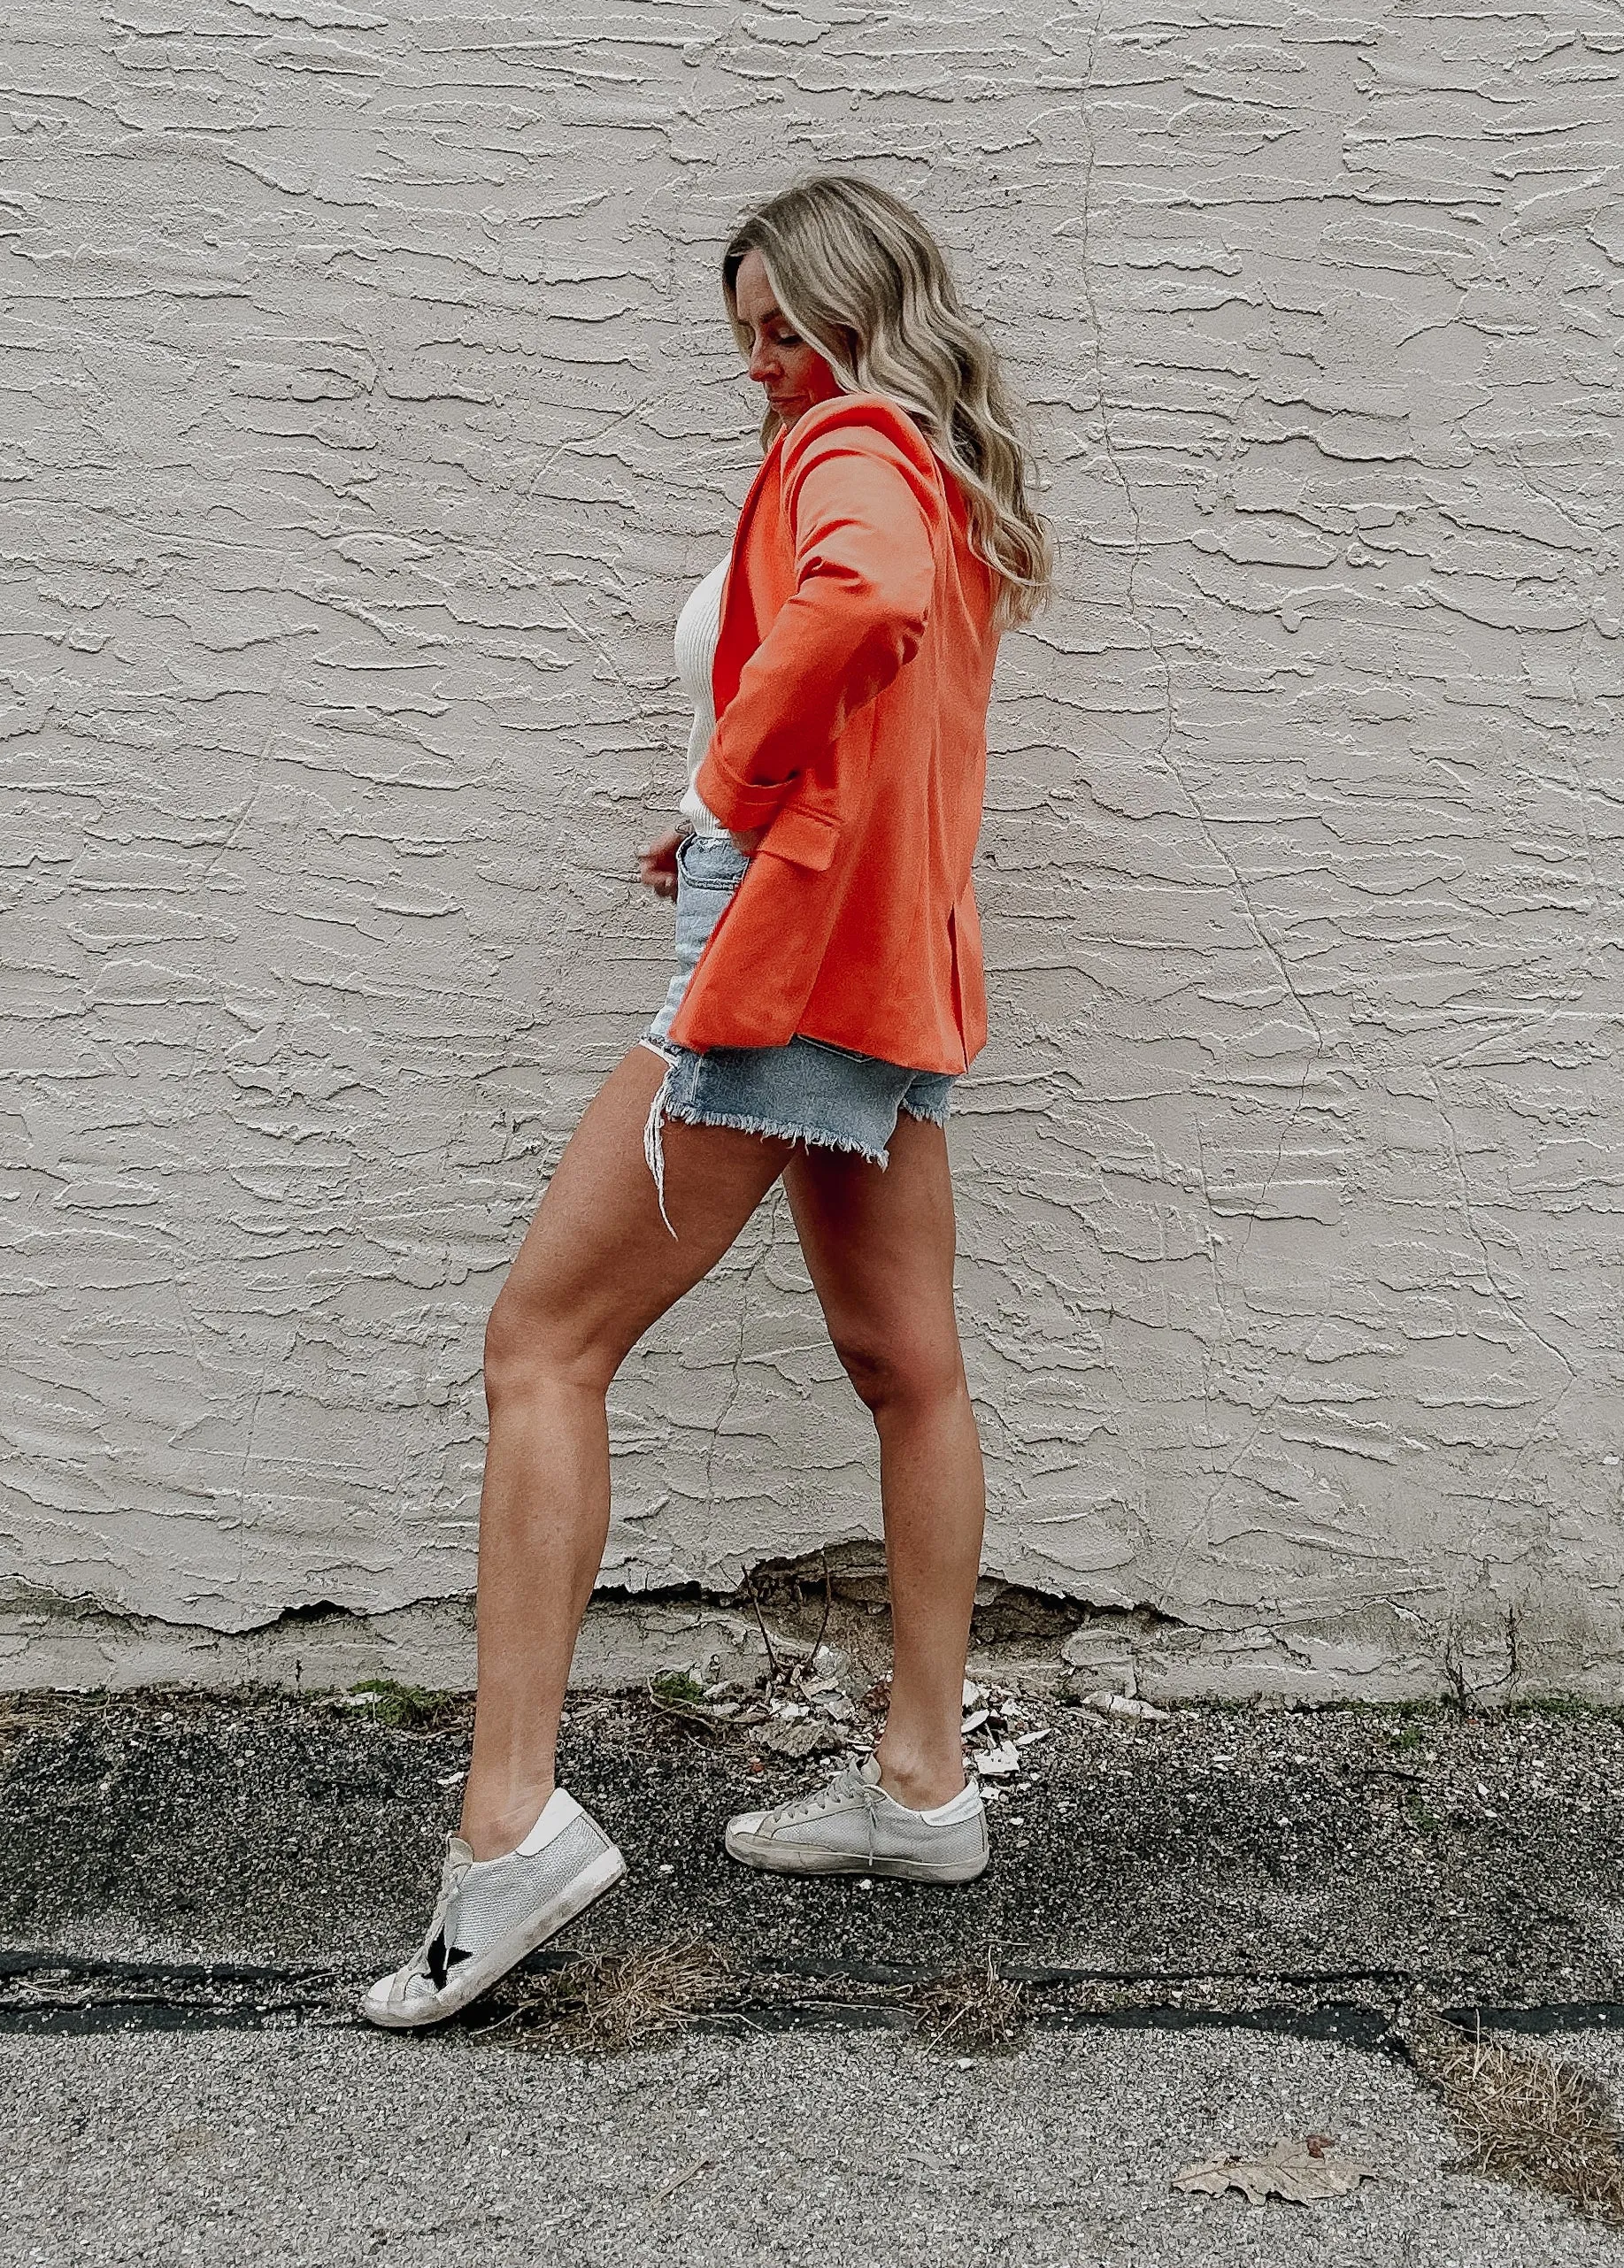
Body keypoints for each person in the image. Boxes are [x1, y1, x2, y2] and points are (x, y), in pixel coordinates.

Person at [361, 172, 1051, 2029]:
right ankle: (922, 1783)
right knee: (911, 1369)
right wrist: (736, 799)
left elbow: (860, 604)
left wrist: (735, 791)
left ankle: (507, 1823)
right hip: (888, 979)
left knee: (539, 1344)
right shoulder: (930, 453)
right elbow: (889, 676)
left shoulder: (849, 451)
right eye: (742, 335)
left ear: (857, 313)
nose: (762, 366)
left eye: (786, 327)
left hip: (792, 982)